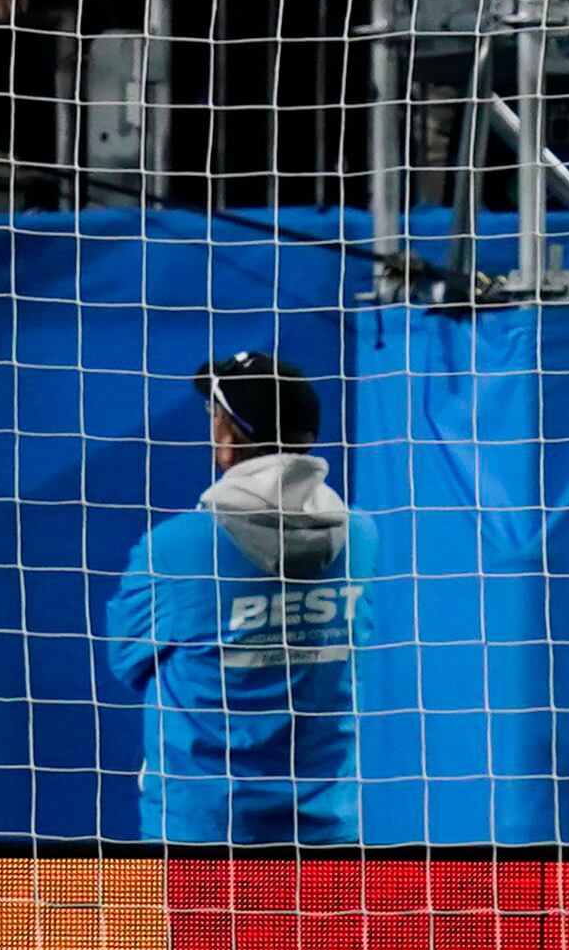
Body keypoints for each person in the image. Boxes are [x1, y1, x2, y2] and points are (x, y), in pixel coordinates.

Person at [100, 350, 383, 844]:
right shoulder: (361, 537)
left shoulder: (174, 547)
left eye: (215, 416)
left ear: (229, 441)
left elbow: (126, 660)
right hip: (329, 827)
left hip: (201, 830)